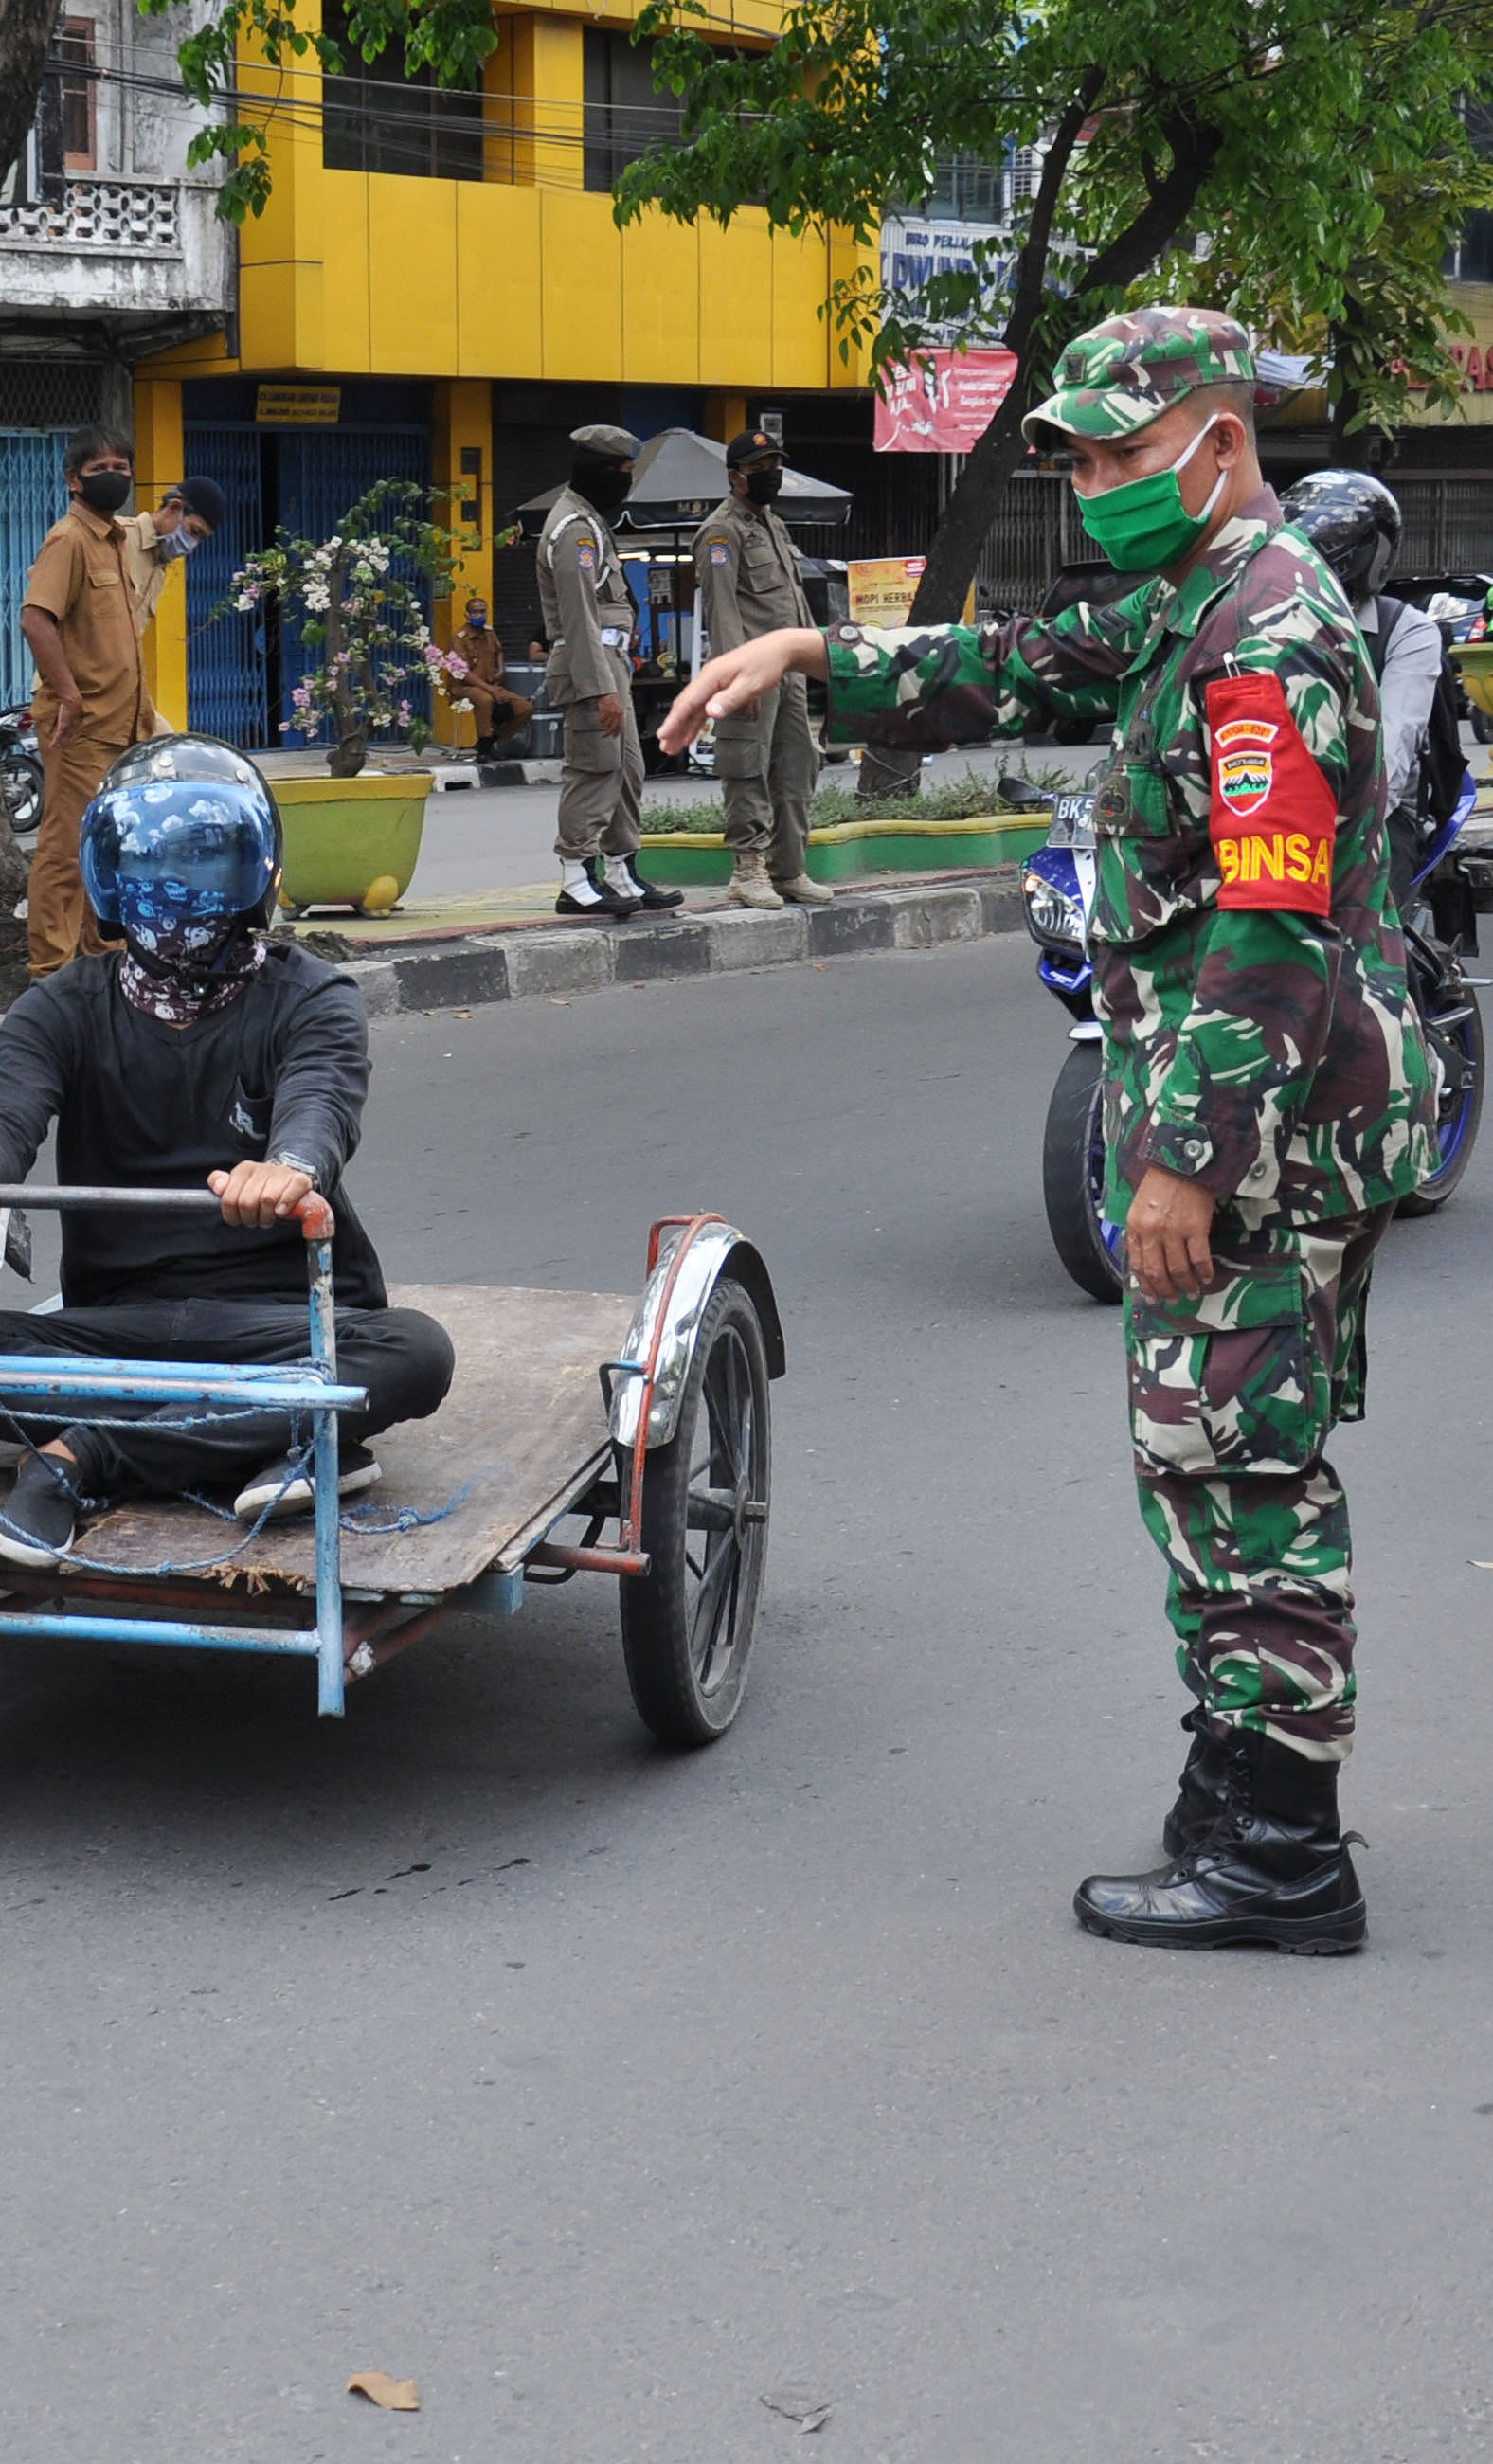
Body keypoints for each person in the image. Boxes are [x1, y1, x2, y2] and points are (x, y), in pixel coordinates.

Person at [665, 306, 1441, 1953]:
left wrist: (1182, 1158)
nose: (1091, 482)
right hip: (1258, 1116)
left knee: (1239, 1467)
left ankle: (1282, 1853)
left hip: (1264, 1135)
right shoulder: (1194, 599)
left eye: (1116, 451)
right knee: (1207, 1455)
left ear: (1218, 444)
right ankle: (1235, 1777)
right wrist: (814, 653)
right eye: (1076, 456)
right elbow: (1020, 660)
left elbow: (1272, 926)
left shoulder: (1263, 638)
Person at [0, 739, 456, 1558]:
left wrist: (288, 1169)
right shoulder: (60, 1007)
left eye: (204, 860)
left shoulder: (313, 996)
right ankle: (272, 1434)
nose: (177, 890)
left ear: (259, 875)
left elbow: (320, 1106)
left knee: (414, 1350)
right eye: (150, 865)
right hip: (115, 1325)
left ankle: (83, 1457)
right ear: (108, 883)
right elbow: (6, 1115)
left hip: (280, 1322)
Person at [21, 442, 227, 974]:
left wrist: (156, 732)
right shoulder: (84, 540)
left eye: (122, 469)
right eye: (101, 470)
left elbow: (121, 645)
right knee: (66, 852)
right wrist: (67, 694)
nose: (190, 545)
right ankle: (50, 973)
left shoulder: (131, 550)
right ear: (175, 508)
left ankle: (102, 959)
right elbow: (38, 620)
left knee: (112, 849)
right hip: (80, 722)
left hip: (122, 724)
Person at [1283, 467, 1455, 887]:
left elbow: (1389, 766)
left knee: (1362, 935)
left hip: (1374, 819)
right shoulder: (1265, 622)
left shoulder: (1407, 632)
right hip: (1269, 813)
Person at [536, 423, 677, 918]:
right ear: (598, 472)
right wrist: (601, 691)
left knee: (627, 771)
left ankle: (621, 869)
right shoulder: (574, 528)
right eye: (624, 471)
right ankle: (576, 878)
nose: (629, 480)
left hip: (611, 663)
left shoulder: (592, 521)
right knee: (594, 769)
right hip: (588, 667)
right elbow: (577, 620)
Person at [691, 428, 830, 910]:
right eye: (760, 468)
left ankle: (788, 869)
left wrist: (818, 656)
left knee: (798, 764)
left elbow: (794, 599)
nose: (771, 474)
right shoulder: (721, 531)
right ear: (736, 478)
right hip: (749, 669)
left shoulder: (773, 523)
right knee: (746, 767)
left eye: (775, 464)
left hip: (788, 670)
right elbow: (721, 609)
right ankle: (747, 871)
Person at [445, 593, 532, 751]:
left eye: (482, 611)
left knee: (525, 708)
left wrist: (501, 669)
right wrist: (491, 690)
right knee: (485, 700)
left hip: (490, 683)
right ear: (467, 614)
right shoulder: (459, 638)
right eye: (475, 612)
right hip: (464, 686)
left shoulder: (489, 632)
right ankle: (484, 743)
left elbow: (498, 650)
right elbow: (463, 672)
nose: (479, 615)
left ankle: (491, 740)